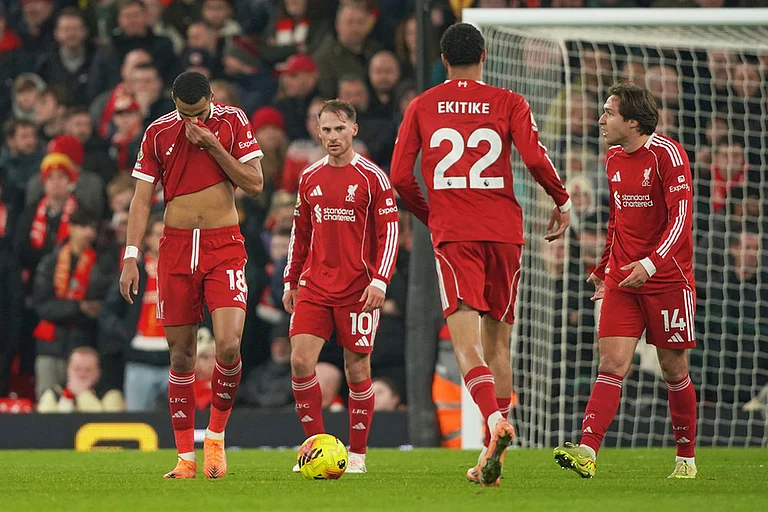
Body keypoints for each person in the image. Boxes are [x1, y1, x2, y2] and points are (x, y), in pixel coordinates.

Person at [389, 23, 571, 487]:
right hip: (505, 233)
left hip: (457, 234)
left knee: (464, 341)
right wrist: (561, 199)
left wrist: (434, 216)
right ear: (485, 55)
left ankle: (493, 422)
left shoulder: (423, 105)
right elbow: (533, 158)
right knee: (499, 345)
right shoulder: (510, 102)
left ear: (444, 60)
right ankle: (496, 461)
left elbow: (400, 177)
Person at [119, 71, 264, 479]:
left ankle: (215, 438)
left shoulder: (233, 122)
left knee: (229, 346)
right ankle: (185, 458)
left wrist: (215, 146)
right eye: (185, 114)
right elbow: (142, 197)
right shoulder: (158, 132)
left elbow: (255, 183)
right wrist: (131, 256)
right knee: (181, 356)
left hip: (224, 245)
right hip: (177, 249)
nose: (192, 123)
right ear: (174, 103)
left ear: (212, 99)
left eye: (199, 114)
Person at [553, 82, 698, 480]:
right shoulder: (613, 157)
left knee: (674, 369)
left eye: (609, 113)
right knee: (612, 362)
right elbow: (617, 220)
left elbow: (680, 219)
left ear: (633, 122)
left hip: (667, 279)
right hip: (623, 278)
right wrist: (604, 268)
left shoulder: (668, 155)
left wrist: (650, 265)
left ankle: (685, 459)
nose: (601, 119)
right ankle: (587, 451)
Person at [282, 99, 399, 474]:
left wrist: (380, 280)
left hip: (358, 289)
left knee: (356, 371)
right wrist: (290, 279)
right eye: (326, 129)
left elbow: (390, 233)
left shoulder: (372, 178)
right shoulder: (309, 177)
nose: (332, 136)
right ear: (318, 132)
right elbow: (299, 234)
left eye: (339, 128)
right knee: (300, 362)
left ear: (354, 130)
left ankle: (359, 455)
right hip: (314, 285)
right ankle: (313, 448)